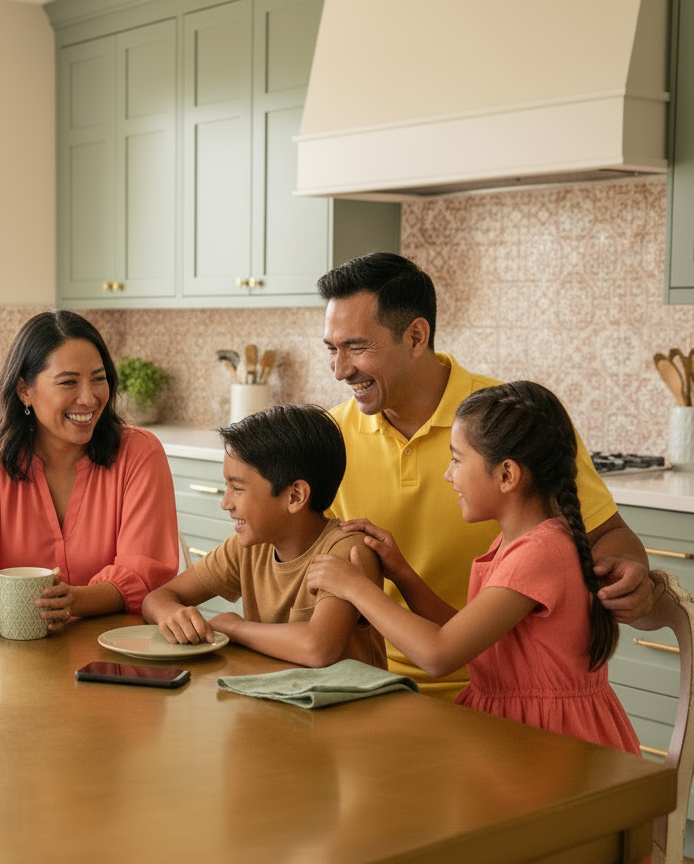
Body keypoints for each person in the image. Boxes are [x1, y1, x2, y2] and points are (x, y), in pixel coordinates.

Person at [318, 252, 655, 699]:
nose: (340, 370)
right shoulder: (330, 436)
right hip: (373, 684)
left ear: (416, 336)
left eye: (357, 348)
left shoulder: (511, 425)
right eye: (331, 349)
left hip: (502, 692)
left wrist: (629, 571)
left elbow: (609, 535)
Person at [308, 381, 641, 754]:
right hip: (515, 734)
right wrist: (400, 571)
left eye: (456, 460)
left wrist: (355, 588)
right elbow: (464, 635)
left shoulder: (541, 553)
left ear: (507, 475)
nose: (449, 475)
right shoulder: (519, 542)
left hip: (550, 747)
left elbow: (439, 655)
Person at [0, 310, 179, 631]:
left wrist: (74, 601)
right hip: (12, 652)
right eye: (68, 382)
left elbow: (142, 573)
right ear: (24, 390)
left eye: (99, 379)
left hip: (115, 647)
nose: (88, 398)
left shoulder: (140, 452)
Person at [142, 404, 387, 668]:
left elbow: (318, 648)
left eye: (237, 488)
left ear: (295, 496)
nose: (225, 503)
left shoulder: (347, 550)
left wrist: (235, 628)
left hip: (351, 707)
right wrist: (172, 613)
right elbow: (156, 598)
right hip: (280, 699)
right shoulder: (248, 547)